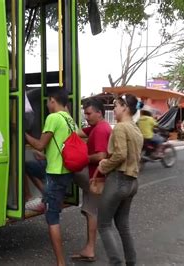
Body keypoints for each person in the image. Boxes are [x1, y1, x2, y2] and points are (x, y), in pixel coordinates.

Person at [25, 90, 77, 266]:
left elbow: (40, 143)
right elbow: (62, 145)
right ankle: (45, 197)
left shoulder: (53, 118)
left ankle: (60, 263)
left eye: (48, 102)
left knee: (52, 218)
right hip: (65, 171)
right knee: (28, 166)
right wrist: (45, 155)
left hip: (54, 174)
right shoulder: (70, 120)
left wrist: (21, 133)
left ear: (53, 101)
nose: (47, 105)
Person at [96, 94, 143, 266]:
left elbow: (120, 154)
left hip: (117, 180)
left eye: (116, 105)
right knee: (123, 225)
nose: (113, 109)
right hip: (132, 182)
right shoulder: (136, 128)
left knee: (103, 224)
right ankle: (131, 261)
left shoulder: (121, 127)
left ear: (124, 107)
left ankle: (116, 263)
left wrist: (104, 165)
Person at [72, 98, 111, 262]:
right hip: (96, 177)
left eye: (88, 113)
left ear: (99, 113)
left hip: (96, 177)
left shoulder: (101, 130)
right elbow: (78, 132)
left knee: (91, 212)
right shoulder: (96, 127)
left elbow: (101, 155)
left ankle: (90, 248)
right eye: (85, 113)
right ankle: (89, 247)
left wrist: (83, 159)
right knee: (90, 211)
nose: (86, 116)